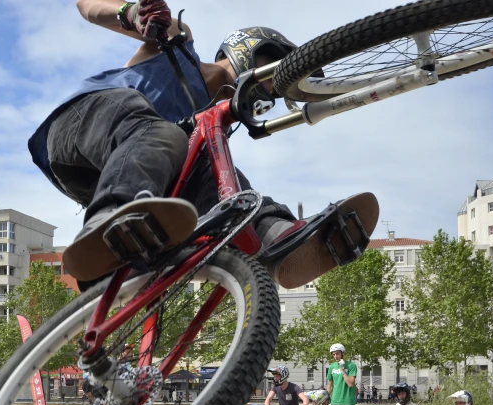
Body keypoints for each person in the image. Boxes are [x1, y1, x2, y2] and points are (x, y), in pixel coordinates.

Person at [28, 0, 379, 292]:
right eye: (276, 77)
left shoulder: (208, 124)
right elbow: (85, 5)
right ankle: (108, 220)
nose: (273, 92)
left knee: (225, 180)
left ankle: (278, 236)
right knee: (164, 134)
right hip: (80, 125)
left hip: (112, 173)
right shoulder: (179, 45)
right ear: (255, 50)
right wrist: (131, 13)